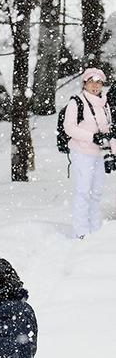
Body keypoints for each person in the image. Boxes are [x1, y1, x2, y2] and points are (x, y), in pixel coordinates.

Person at [63, 68, 116, 238]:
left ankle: (95, 230)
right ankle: (81, 232)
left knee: (96, 193)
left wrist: (112, 153)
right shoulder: (76, 101)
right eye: (92, 82)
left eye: (99, 82)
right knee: (83, 192)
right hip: (82, 152)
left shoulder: (104, 103)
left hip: (100, 155)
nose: (95, 86)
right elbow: (69, 128)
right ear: (85, 83)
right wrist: (91, 137)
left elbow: (108, 131)